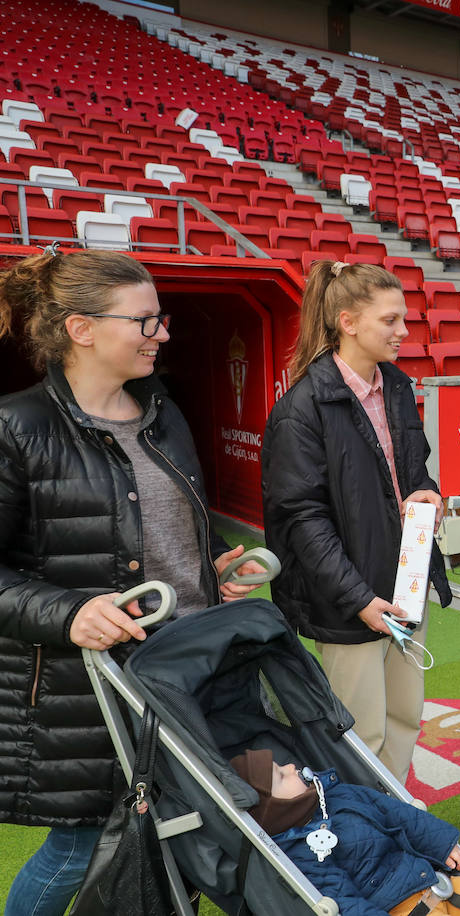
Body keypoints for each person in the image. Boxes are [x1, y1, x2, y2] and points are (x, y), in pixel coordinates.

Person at [0, 248, 263, 916]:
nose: (162, 333)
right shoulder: (16, 427)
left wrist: (212, 569)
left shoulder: (164, 414)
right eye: (145, 321)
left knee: (191, 831)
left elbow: (171, 529)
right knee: (80, 850)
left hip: (193, 668)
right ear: (82, 329)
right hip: (92, 688)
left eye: (162, 319)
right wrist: (69, 615)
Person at [262, 260, 452, 782]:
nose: (403, 331)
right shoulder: (302, 409)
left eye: (403, 319)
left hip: (403, 585)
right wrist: (359, 600)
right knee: (360, 732)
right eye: (390, 320)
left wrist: (429, 494)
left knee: (404, 717)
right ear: (348, 322)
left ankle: (399, 821)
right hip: (350, 600)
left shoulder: (396, 387)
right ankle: (368, 835)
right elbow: (303, 521)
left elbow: (414, 471)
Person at [228, 748, 460, 916]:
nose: (291, 766)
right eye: (281, 775)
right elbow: (344, 901)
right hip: (396, 905)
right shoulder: (302, 853)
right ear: (274, 808)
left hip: (423, 874)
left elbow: (397, 812)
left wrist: (440, 844)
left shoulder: (335, 794)